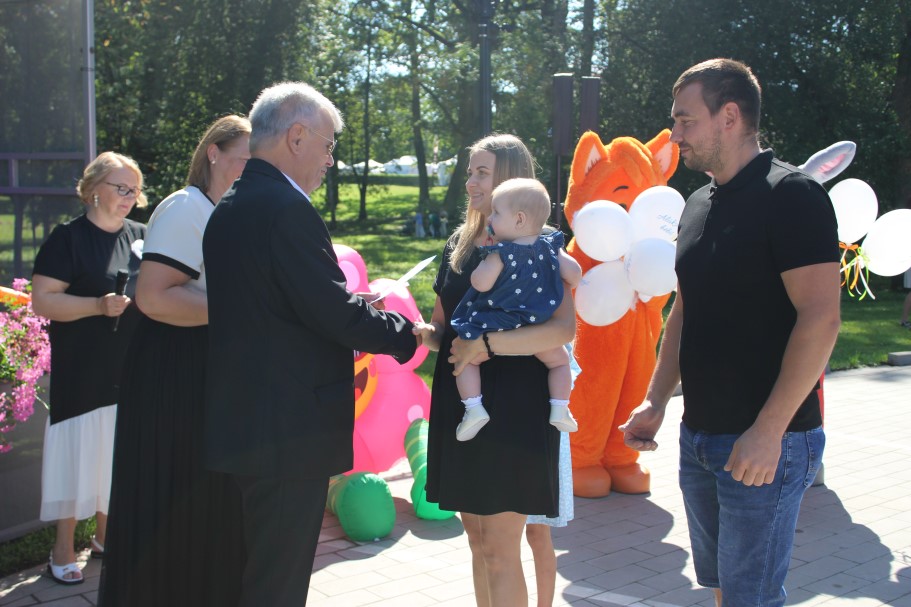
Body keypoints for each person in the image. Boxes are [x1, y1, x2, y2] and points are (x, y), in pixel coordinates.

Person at [620, 58, 841, 607]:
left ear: (730, 116)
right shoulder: (698, 204)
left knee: (752, 597)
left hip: (767, 441)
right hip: (700, 437)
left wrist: (769, 431)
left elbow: (821, 318)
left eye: (685, 120)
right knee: (725, 590)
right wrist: (655, 401)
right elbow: (686, 310)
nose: (675, 135)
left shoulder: (792, 195)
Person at [202, 82, 419, 607]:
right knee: (278, 580)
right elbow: (330, 312)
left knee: (255, 570)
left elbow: (279, 301)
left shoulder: (233, 203)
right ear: (296, 136)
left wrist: (341, 301)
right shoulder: (284, 207)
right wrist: (408, 334)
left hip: (250, 421)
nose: (330, 160)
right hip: (286, 429)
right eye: (328, 145)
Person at [97, 115, 252, 606]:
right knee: (171, 497)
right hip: (174, 370)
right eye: (245, 157)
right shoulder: (187, 207)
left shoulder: (224, 211)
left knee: (199, 503)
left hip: (201, 367)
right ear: (213, 153)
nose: (252, 169)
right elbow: (154, 297)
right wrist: (249, 311)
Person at [417, 133, 576, 606]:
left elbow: (562, 329)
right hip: (463, 405)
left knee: (501, 551)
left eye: (482, 173)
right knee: (479, 544)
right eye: (471, 171)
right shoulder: (459, 244)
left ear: (510, 178)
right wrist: (413, 332)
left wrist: (487, 344)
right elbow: (443, 326)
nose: (470, 182)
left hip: (515, 409)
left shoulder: (542, 246)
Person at [30, 152, 147, 585]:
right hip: (82, 373)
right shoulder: (68, 239)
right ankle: (62, 549)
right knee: (76, 456)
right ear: (94, 189)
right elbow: (43, 300)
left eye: (135, 190)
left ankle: (104, 537)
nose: (130, 197)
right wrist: (97, 306)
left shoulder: (142, 236)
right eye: (122, 188)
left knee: (115, 456)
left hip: (127, 370)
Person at [443, 178, 581, 440]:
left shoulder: (501, 253)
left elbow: (480, 284)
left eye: (496, 213)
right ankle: (560, 407)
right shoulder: (550, 247)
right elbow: (574, 275)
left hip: (497, 322)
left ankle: (473, 409)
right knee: (560, 362)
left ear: (519, 219)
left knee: (466, 362)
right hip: (537, 325)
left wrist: (485, 259)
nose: (490, 218)